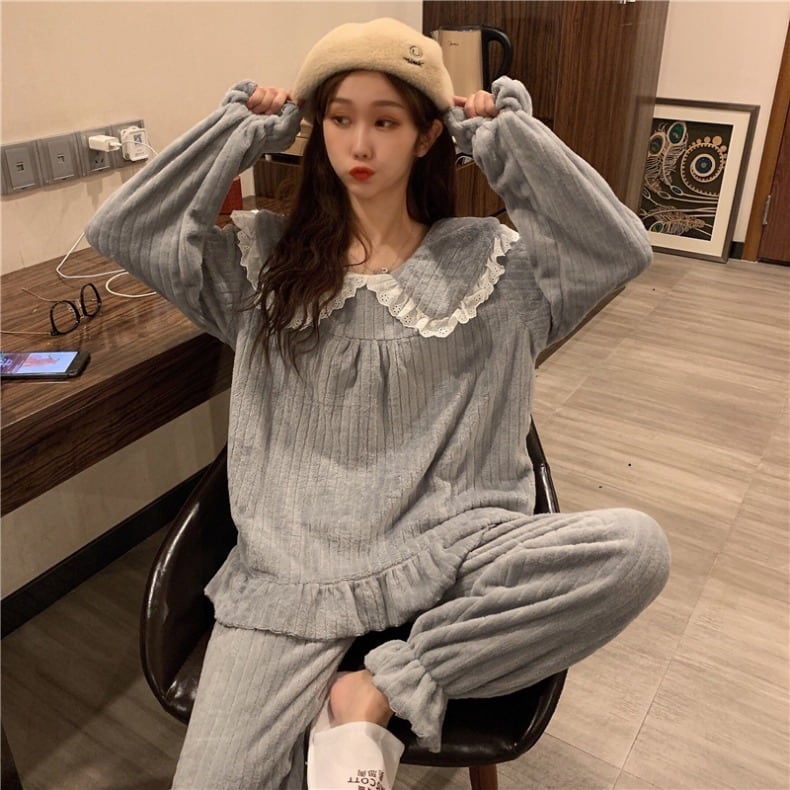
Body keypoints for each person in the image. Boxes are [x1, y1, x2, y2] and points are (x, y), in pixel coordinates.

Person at [85, 17, 670, 790]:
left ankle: (378, 688)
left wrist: (506, 141)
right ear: (316, 127)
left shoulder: (496, 269)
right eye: (340, 118)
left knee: (635, 551)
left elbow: (618, 250)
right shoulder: (264, 264)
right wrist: (239, 132)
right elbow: (124, 231)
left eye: (386, 122)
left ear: (427, 136)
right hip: (293, 572)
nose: (359, 144)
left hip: (456, 546)